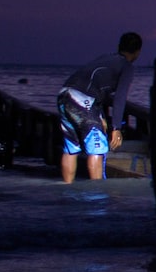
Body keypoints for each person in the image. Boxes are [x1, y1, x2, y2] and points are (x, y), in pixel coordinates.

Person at [58, 32, 142, 183]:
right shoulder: (126, 66)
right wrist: (116, 127)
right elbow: (120, 97)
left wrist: (101, 117)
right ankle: (96, 195)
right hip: (82, 99)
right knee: (98, 148)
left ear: (119, 47)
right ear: (138, 52)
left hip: (64, 95)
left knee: (71, 148)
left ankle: (67, 190)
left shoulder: (104, 58)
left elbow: (96, 88)